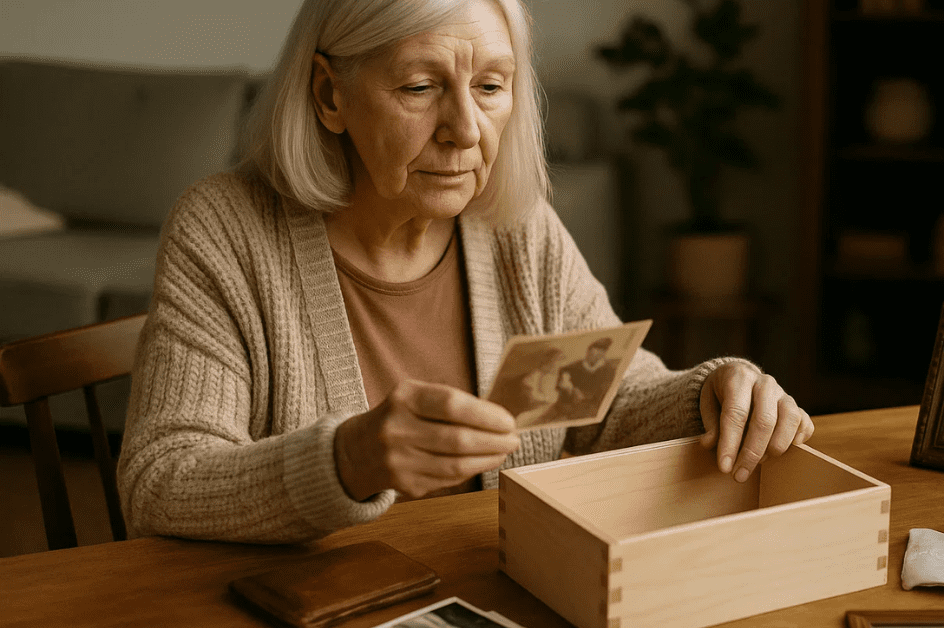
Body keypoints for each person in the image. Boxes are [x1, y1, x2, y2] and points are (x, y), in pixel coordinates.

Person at [116, 0, 814, 544]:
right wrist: (346, 462)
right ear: (330, 95)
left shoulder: (516, 226)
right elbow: (159, 482)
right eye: (420, 86)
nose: (467, 129)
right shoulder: (225, 229)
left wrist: (710, 394)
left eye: (490, 86)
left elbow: (607, 401)